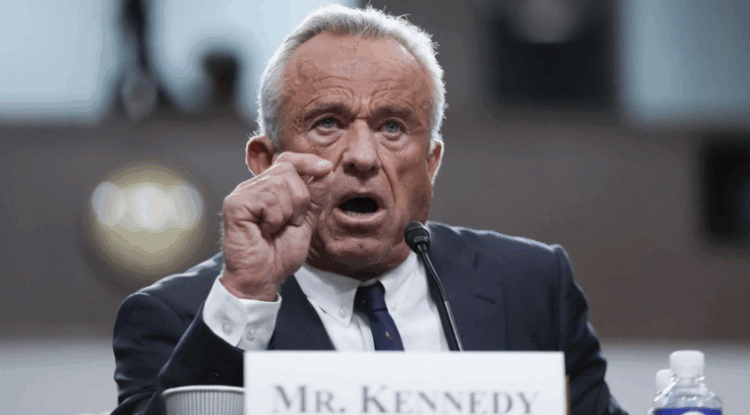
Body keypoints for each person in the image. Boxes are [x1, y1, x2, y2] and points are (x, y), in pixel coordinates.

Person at [112, 5, 628, 415]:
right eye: (328, 123)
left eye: (392, 127)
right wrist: (246, 293)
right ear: (266, 163)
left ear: (430, 164)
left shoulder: (532, 286)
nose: (362, 156)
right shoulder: (174, 317)